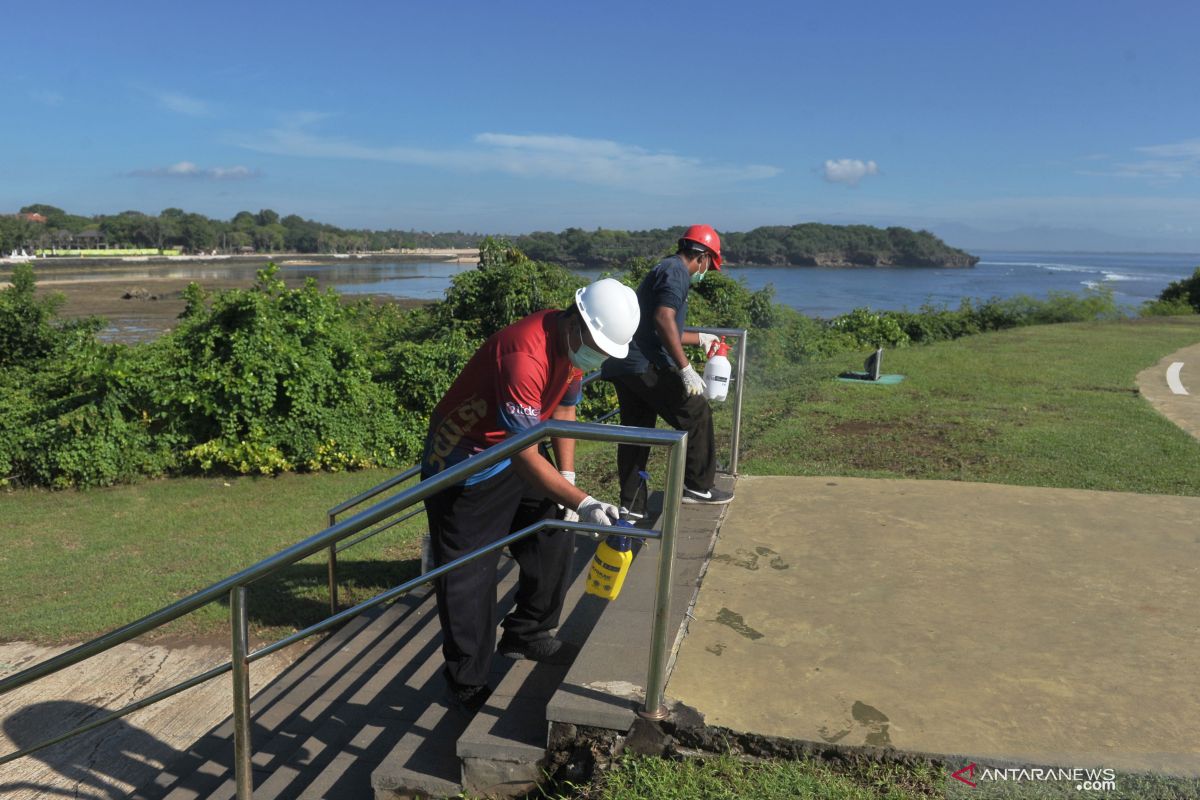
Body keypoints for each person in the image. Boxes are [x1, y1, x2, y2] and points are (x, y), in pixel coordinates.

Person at [421, 278, 640, 715]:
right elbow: (521, 455)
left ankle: (527, 632)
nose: (596, 355)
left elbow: (563, 409)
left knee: (552, 534)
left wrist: (567, 475)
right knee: (469, 574)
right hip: (467, 463)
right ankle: (466, 681)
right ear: (576, 319)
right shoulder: (524, 357)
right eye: (596, 344)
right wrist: (584, 501)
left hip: (518, 451)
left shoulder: (575, 344)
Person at [601, 224, 735, 516]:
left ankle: (633, 507)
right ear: (701, 257)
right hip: (644, 362)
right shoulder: (677, 272)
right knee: (696, 411)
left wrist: (699, 338)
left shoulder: (665, 268)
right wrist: (685, 368)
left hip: (624, 363)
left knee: (638, 433)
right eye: (709, 265)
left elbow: (662, 325)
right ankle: (696, 487)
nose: (706, 272)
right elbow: (664, 319)